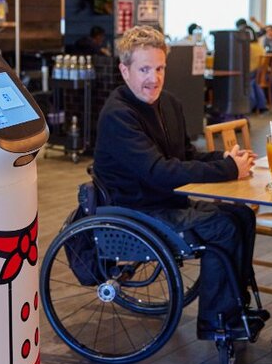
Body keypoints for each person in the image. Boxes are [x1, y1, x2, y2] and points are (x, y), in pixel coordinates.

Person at [93, 26, 259, 337]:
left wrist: (227, 159)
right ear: (124, 70)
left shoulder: (168, 104)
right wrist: (226, 170)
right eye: (144, 69)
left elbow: (184, 155)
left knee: (242, 215)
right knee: (221, 226)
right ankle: (217, 321)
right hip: (135, 210)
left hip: (164, 200)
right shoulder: (118, 115)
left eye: (159, 68)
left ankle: (236, 303)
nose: (153, 79)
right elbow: (159, 171)